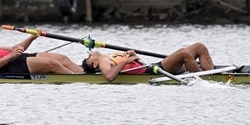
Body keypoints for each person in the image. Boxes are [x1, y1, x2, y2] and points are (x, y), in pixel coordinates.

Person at [0, 13, 84, 77]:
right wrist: (11, 56)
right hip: (10, 66)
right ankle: (78, 80)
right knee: (51, 63)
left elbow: (13, 49)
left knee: (61, 58)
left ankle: (85, 73)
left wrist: (32, 38)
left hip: (18, 58)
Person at [80, 43, 217, 82]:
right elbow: (109, 77)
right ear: (95, 64)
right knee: (183, 53)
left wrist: (134, 56)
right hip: (153, 71)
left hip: (152, 66)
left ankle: (211, 74)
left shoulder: (109, 56)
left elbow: (136, 65)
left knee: (200, 47)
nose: (89, 55)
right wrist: (126, 60)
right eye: (88, 59)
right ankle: (205, 80)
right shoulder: (104, 62)